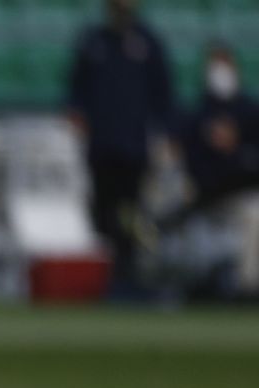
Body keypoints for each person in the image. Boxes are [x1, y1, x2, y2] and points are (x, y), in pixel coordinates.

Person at [66, 0, 175, 295]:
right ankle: (104, 276)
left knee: (132, 213)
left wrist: (165, 135)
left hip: (134, 147)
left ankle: (128, 275)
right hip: (101, 145)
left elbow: (163, 95)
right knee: (102, 212)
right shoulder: (93, 41)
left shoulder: (148, 42)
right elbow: (76, 89)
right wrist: (76, 114)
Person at [176, 42, 259, 296]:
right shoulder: (199, 113)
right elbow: (192, 163)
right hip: (207, 194)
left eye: (225, 65)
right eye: (215, 65)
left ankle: (249, 288)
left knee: (254, 213)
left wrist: (234, 151)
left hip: (242, 194)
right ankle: (190, 284)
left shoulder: (248, 111)